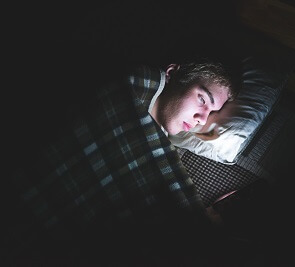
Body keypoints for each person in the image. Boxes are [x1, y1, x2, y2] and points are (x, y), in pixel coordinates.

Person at [3, 57, 238, 264]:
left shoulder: (160, 150)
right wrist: (195, 221)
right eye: (202, 100)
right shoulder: (129, 85)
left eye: (210, 113)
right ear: (173, 73)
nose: (201, 119)